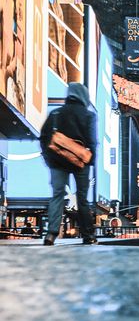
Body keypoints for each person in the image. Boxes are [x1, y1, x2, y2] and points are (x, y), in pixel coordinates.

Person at [39, 82, 97, 246]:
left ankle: (51, 234)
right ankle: (88, 235)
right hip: (81, 163)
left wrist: (48, 159)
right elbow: (92, 142)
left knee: (57, 195)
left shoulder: (56, 113)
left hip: (57, 162)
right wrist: (89, 162)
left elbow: (44, 137)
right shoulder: (88, 115)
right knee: (82, 199)